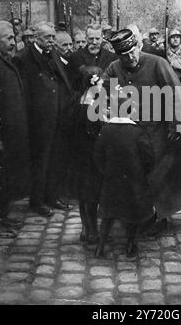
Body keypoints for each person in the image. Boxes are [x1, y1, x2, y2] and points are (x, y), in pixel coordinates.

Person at [103, 29, 181, 234]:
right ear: (117, 55)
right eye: (124, 55)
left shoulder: (157, 63)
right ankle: (137, 214)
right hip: (129, 132)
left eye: (132, 52)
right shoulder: (113, 68)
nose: (130, 58)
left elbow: (175, 92)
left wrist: (175, 124)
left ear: (138, 46)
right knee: (135, 173)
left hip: (157, 130)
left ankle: (158, 216)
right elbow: (102, 90)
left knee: (157, 174)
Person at [16, 21, 73, 217]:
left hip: (57, 116)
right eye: (47, 37)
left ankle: (52, 196)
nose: (51, 41)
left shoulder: (53, 54)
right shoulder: (24, 58)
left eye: (52, 37)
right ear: (36, 38)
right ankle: (37, 201)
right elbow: (23, 92)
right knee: (40, 161)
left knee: (55, 158)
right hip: (38, 120)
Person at [94, 96, 155, 257]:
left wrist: (105, 172)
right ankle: (130, 245)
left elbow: (98, 155)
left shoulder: (106, 130)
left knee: (108, 215)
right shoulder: (138, 132)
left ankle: (100, 247)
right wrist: (142, 174)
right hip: (133, 181)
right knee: (133, 215)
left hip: (111, 180)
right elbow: (149, 158)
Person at [0, 20, 30, 237]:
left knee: (4, 178)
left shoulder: (2, 60)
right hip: (0, 136)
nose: (14, 43)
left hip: (11, 134)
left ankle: (2, 217)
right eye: (9, 38)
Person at [65, 66, 104, 244]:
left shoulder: (75, 99)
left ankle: (85, 228)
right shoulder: (93, 104)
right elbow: (95, 130)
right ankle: (93, 231)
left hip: (77, 154)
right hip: (91, 154)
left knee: (83, 194)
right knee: (92, 195)